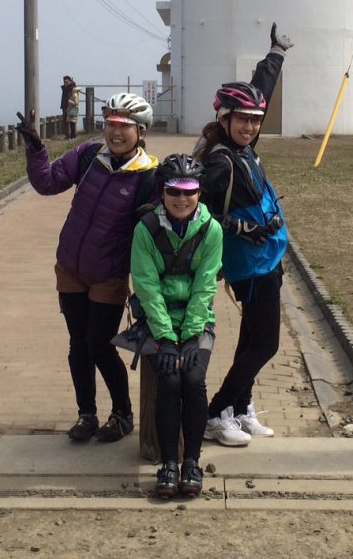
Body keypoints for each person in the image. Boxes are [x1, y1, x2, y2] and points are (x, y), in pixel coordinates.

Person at [16, 93, 158, 444]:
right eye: (112, 123)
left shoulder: (149, 175)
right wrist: (36, 150)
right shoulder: (90, 155)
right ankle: (87, 414)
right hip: (71, 267)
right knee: (78, 344)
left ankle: (122, 413)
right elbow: (47, 183)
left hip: (108, 274)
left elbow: (157, 226)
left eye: (125, 126)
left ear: (140, 132)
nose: (116, 131)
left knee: (99, 344)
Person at [195, 23, 293, 446]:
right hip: (249, 263)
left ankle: (240, 406)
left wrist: (275, 55)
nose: (251, 126)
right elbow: (199, 210)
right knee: (265, 345)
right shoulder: (220, 161)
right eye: (243, 120)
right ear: (224, 119)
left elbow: (259, 92)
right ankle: (217, 412)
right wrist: (238, 225)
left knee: (252, 339)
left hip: (266, 258)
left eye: (255, 121)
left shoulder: (243, 149)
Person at [128, 154, 222, 499]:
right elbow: (146, 285)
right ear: (162, 192)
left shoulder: (211, 230)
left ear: (200, 192)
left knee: (194, 380)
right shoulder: (146, 230)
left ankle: (192, 462)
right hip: (157, 320)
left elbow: (206, 285)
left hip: (197, 321)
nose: (182, 199)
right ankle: (168, 462)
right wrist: (166, 337)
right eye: (174, 191)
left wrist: (192, 335)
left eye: (190, 191)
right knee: (169, 380)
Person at [61, 76, 80, 140]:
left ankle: (72, 135)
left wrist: (71, 82)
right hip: (65, 105)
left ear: (69, 81)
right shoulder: (64, 88)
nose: (65, 83)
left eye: (66, 81)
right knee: (66, 121)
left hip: (70, 105)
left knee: (72, 121)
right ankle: (68, 135)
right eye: (64, 81)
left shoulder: (71, 87)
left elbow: (74, 85)